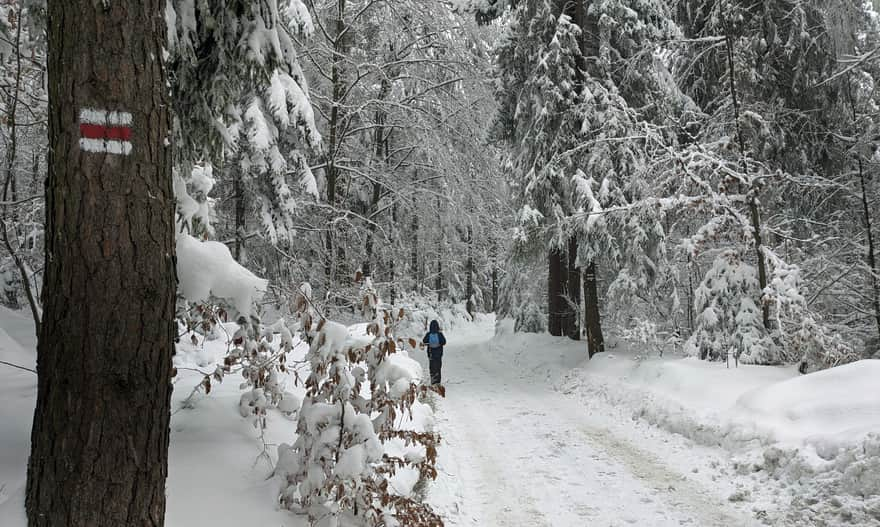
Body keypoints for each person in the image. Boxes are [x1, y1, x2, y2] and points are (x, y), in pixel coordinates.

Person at [422, 319, 446, 386]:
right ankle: (438, 382)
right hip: (438, 354)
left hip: (431, 353)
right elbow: (444, 342)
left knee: (432, 367)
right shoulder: (439, 334)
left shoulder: (428, 334)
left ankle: (433, 381)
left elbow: (424, 341)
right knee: (438, 367)